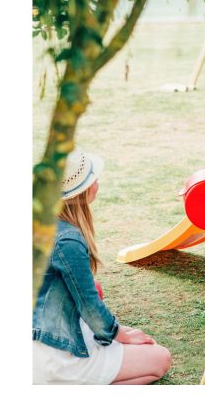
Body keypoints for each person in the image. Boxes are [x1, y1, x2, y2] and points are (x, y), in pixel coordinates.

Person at [33, 148, 172, 384]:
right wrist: (122, 337)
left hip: (39, 340)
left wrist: (120, 333)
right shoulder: (67, 239)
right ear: (82, 190)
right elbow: (89, 307)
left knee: (135, 337)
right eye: (93, 177)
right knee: (160, 358)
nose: (97, 182)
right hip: (55, 356)